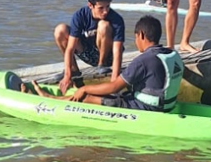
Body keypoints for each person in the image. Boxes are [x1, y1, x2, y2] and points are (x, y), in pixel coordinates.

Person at [29, 15, 186, 112]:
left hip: (148, 108)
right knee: (110, 95)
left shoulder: (144, 60)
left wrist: (84, 89)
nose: (136, 41)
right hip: (167, 106)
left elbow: (114, 86)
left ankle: (47, 99)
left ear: (142, 35)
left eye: (136, 37)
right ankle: (50, 97)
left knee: (86, 98)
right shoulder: (172, 54)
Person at [53, 0, 126, 94]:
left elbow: (118, 52)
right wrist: (67, 76)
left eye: (108, 6)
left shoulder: (117, 19)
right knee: (60, 30)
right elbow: (70, 48)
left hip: (108, 57)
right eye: (101, 8)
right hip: (88, 53)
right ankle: (74, 71)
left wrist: (114, 83)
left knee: (103, 25)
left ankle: (102, 64)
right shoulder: (80, 16)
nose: (106, 11)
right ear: (90, 5)